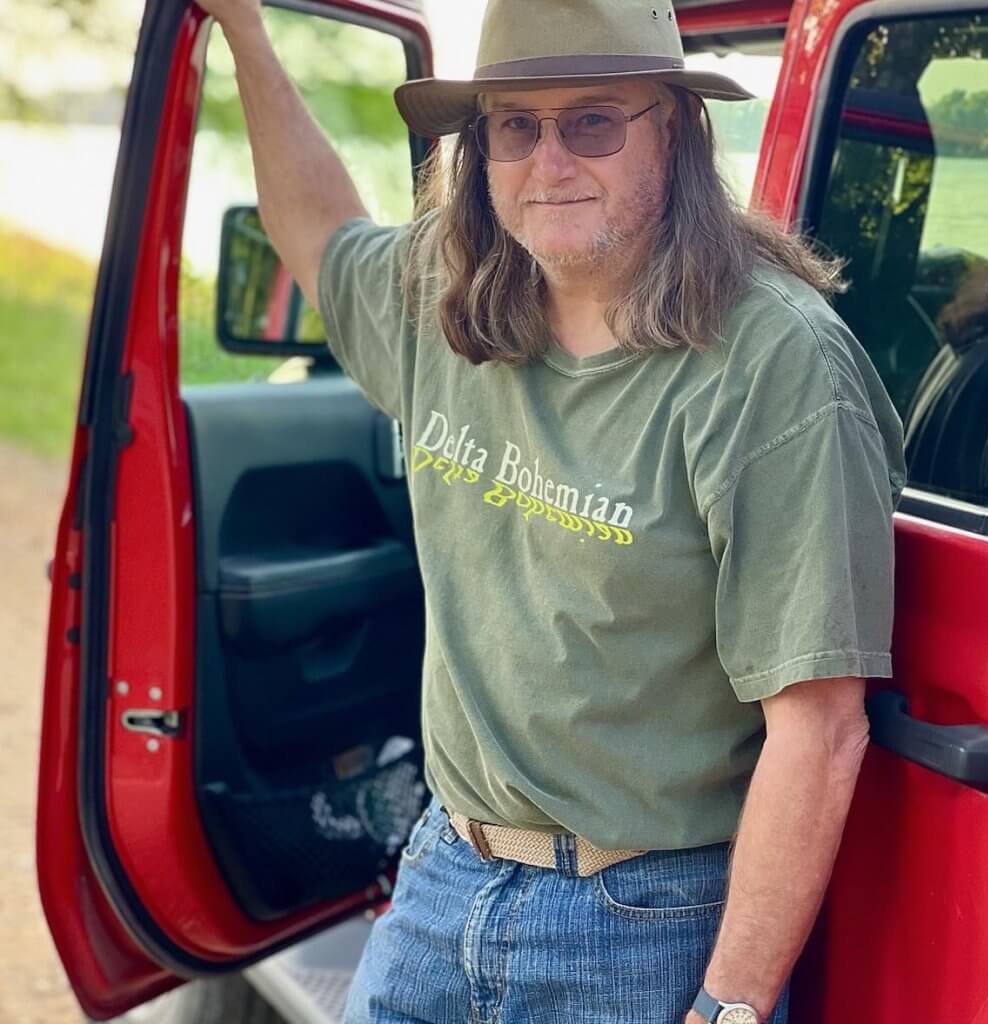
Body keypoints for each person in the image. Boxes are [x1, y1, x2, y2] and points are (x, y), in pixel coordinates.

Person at [197, 0, 908, 1021]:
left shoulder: (772, 364)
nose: (550, 161)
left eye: (593, 122)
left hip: (645, 916)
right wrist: (247, 36)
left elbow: (821, 726)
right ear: (480, 147)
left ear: (673, 127)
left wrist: (732, 1004)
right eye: (515, 126)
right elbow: (317, 234)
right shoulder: (451, 305)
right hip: (447, 869)